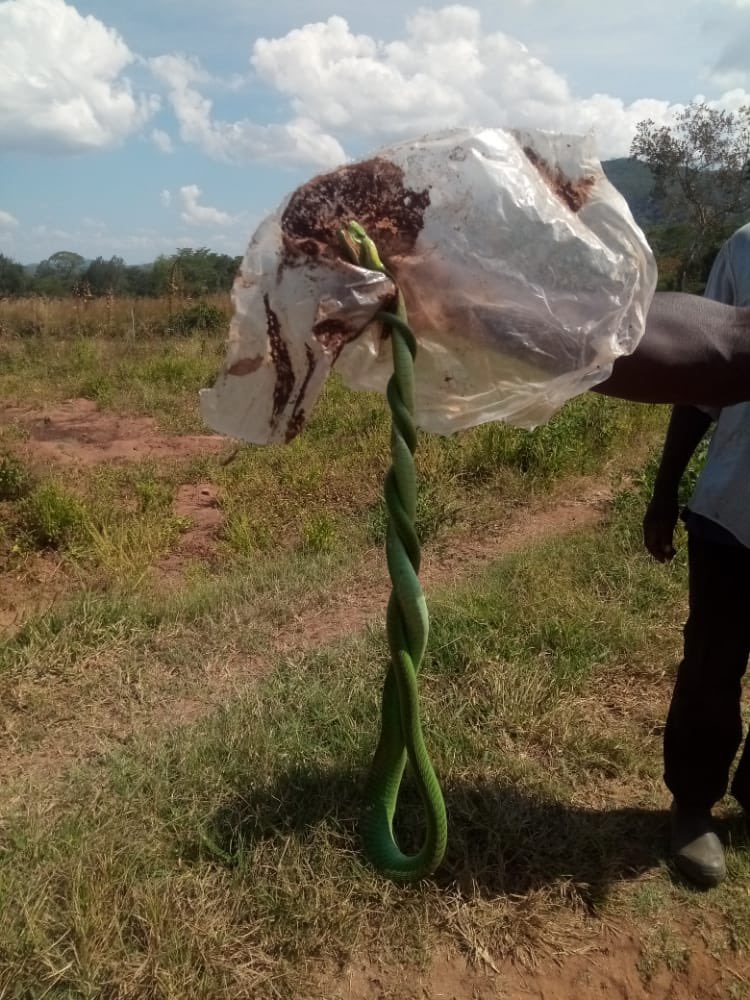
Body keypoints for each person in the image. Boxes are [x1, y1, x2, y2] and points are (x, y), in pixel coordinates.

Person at [612, 222, 750, 889]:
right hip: (734, 509)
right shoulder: (746, 248)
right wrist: (665, 491)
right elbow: (712, 363)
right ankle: (694, 805)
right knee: (712, 667)